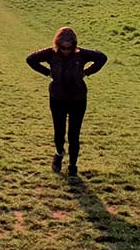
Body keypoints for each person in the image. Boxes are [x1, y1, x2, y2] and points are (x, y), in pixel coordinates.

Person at [26, 27, 107, 176]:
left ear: (74, 45)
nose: (66, 51)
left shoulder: (81, 54)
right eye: (63, 47)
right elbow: (30, 59)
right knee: (59, 132)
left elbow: (102, 58)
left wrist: (86, 72)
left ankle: (72, 166)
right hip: (57, 98)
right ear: (57, 44)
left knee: (74, 134)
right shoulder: (51, 54)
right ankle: (58, 154)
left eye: (69, 47)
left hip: (78, 99)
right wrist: (48, 72)